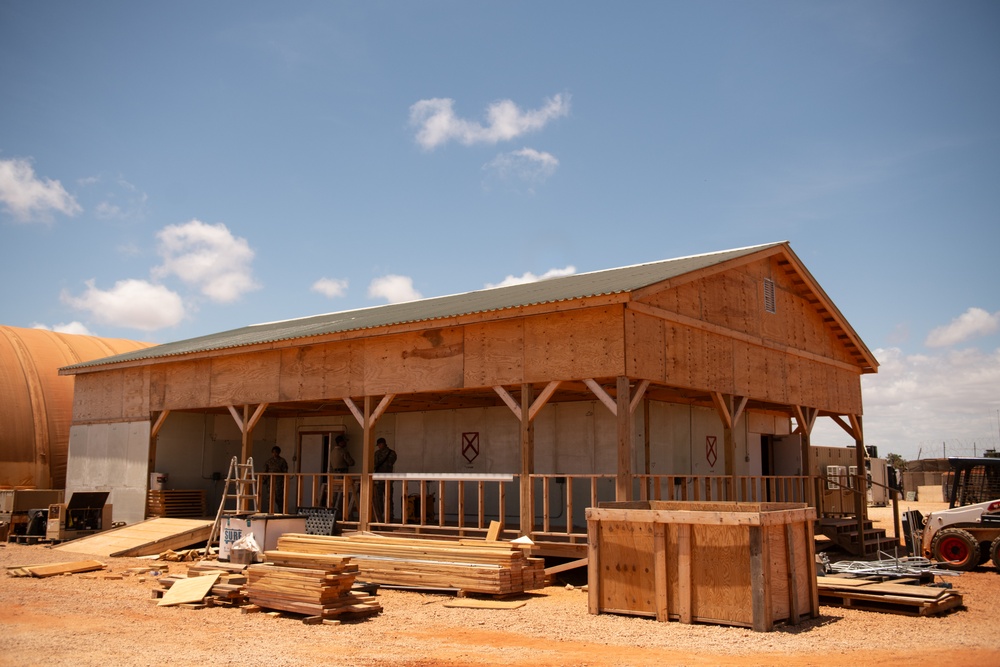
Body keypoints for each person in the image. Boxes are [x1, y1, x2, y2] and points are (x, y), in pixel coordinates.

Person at [373, 437, 398, 522]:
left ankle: (383, 515)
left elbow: (375, 464)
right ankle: (388, 515)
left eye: (380, 444)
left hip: (382, 478)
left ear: (383, 444)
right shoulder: (392, 453)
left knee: (384, 498)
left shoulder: (378, 454)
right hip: (386, 479)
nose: (379, 446)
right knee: (387, 498)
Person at [328, 435, 355, 514]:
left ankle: (333, 512)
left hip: (334, 474)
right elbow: (351, 462)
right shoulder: (343, 451)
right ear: (341, 442)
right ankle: (342, 513)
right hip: (342, 473)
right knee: (343, 493)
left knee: (335, 493)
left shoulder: (332, 452)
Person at [262, 446, 288, 512]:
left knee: (279, 498)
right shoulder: (269, 461)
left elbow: (285, 472)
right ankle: (269, 511)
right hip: (270, 482)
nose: (275, 454)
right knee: (269, 498)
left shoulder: (282, 461)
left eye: (276, 452)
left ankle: (281, 511)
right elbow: (265, 471)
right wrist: (264, 479)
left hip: (279, 482)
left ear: (279, 453)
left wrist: (284, 482)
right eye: (273, 452)